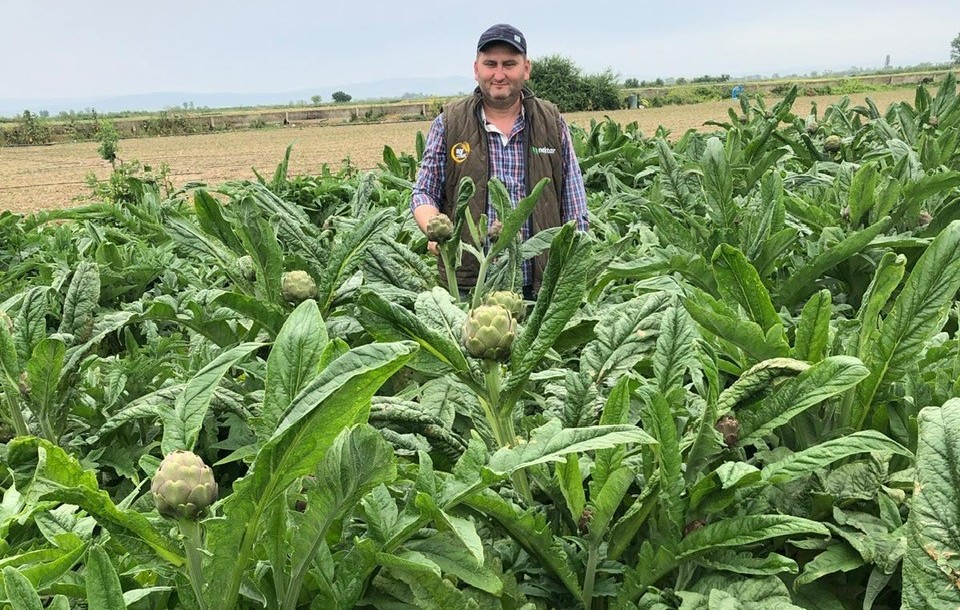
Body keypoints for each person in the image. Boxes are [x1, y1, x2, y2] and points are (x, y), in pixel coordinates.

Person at [410, 23, 589, 299]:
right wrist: (436, 230)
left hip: (539, 283)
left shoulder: (551, 122)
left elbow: (574, 202)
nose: (499, 74)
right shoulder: (449, 123)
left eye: (509, 64)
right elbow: (423, 192)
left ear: (526, 69)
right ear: (476, 68)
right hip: (471, 284)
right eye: (490, 64)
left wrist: (571, 265)